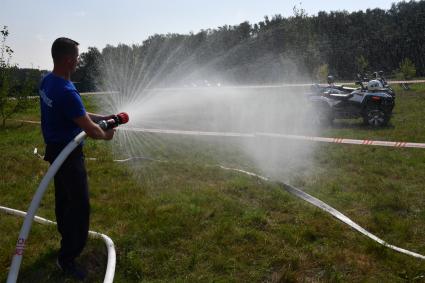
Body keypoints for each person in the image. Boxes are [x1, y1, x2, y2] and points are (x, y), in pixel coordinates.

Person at [39, 37, 115, 281]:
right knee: (80, 206)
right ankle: (68, 257)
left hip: (54, 149)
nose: (79, 60)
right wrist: (105, 134)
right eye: (78, 57)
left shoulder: (48, 82)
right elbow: (90, 129)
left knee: (64, 200)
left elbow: (76, 113)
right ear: (69, 59)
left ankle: (65, 236)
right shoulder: (66, 90)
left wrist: (104, 116)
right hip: (68, 154)